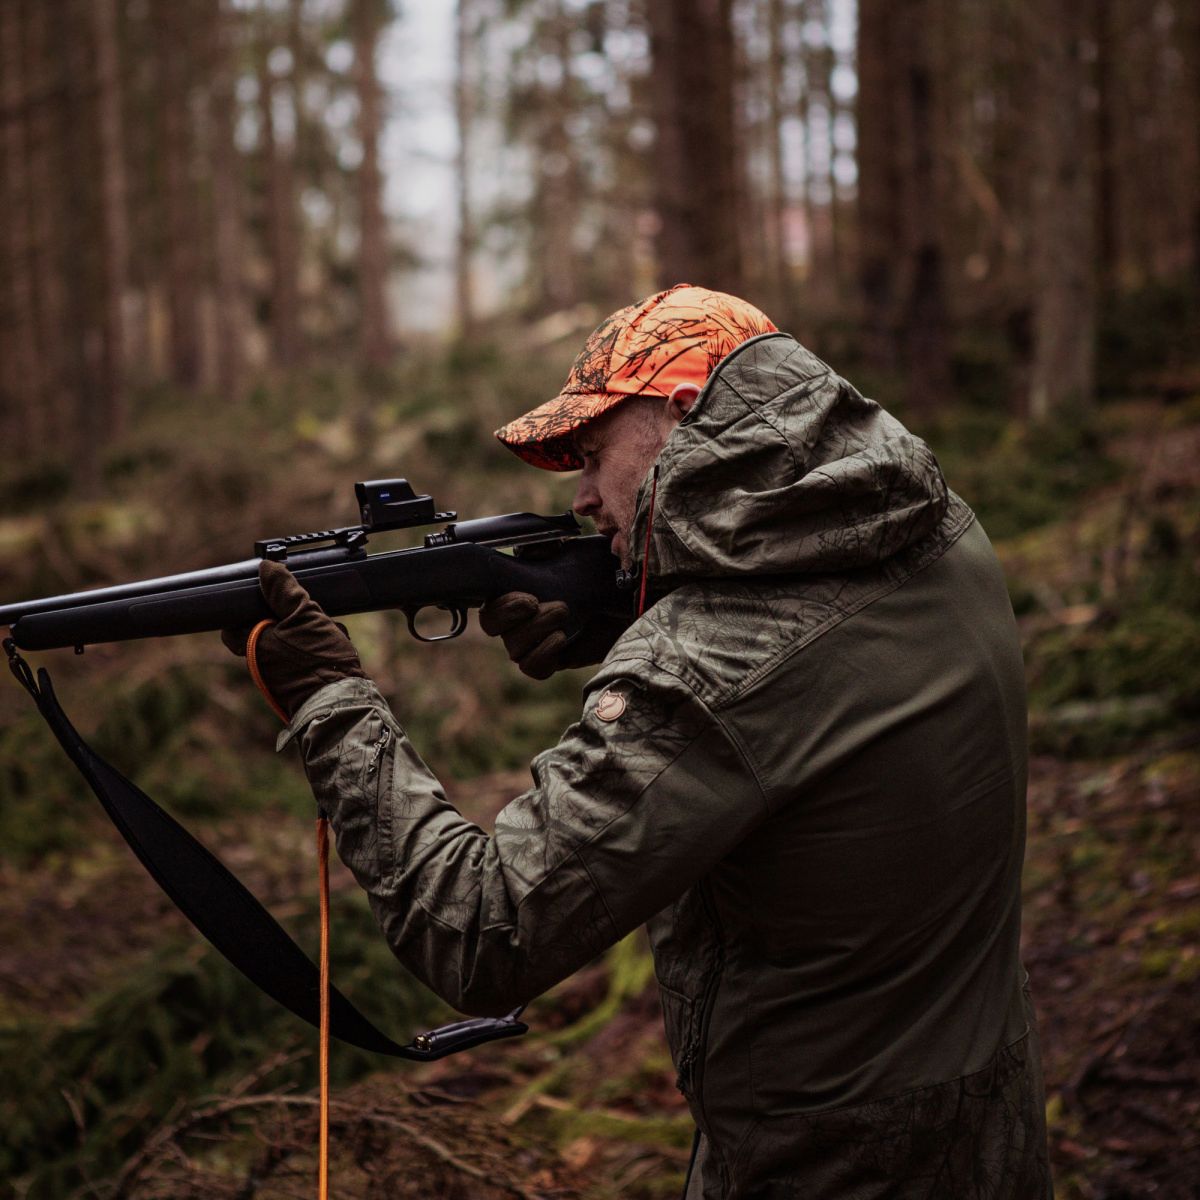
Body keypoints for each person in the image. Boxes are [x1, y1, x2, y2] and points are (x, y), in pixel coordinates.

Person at [226, 285, 1052, 1198]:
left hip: (825, 1164)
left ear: (685, 412)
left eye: (591, 453)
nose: (581, 497)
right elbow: (824, 661)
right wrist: (625, 613)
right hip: (989, 1118)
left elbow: (483, 935)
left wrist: (334, 704)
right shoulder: (931, 522)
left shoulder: (709, 665)